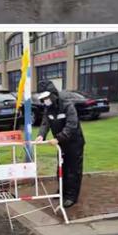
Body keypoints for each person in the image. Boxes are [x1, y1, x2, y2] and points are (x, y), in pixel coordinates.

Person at [35, 80, 85, 208]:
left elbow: (71, 126)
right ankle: (62, 191)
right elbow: (45, 123)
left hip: (74, 143)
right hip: (61, 143)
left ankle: (71, 196)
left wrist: (58, 138)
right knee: (61, 168)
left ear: (53, 94)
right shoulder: (48, 108)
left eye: (46, 97)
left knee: (73, 169)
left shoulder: (67, 105)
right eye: (43, 98)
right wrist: (41, 135)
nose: (45, 100)